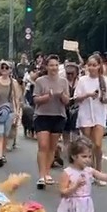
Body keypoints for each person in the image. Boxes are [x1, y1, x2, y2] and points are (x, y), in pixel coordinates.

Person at [32, 55, 69, 188]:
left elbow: (67, 101)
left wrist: (61, 96)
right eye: (51, 65)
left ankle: (47, 172)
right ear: (46, 67)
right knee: (43, 145)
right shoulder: (40, 81)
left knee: (52, 147)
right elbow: (35, 100)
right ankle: (41, 175)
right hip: (42, 115)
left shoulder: (64, 82)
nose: (53, 68)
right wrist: (47, 96)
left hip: (58, 115)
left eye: (55, 65)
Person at [74, 54, 107, 185]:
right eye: (89, 65)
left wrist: (104, 98)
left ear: (99, 66)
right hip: (85, 114)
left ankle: (98, 172)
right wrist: (88, 95)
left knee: (98, 144)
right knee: (87, 146)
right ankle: (87, 172)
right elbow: (76, 98)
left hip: (99, 114)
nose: (91, 68)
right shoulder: (82, 80)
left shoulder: (104, 80)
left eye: (94, 65)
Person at [0, 60, 21, 167]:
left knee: (6, 134)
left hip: (10, 111)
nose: (4, 70)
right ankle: (0, 156)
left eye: (7, 68)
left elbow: (16, 99)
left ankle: (3, 153)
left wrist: (17, 112)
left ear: (11, 70)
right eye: (2, 68)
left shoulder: (14, 83)